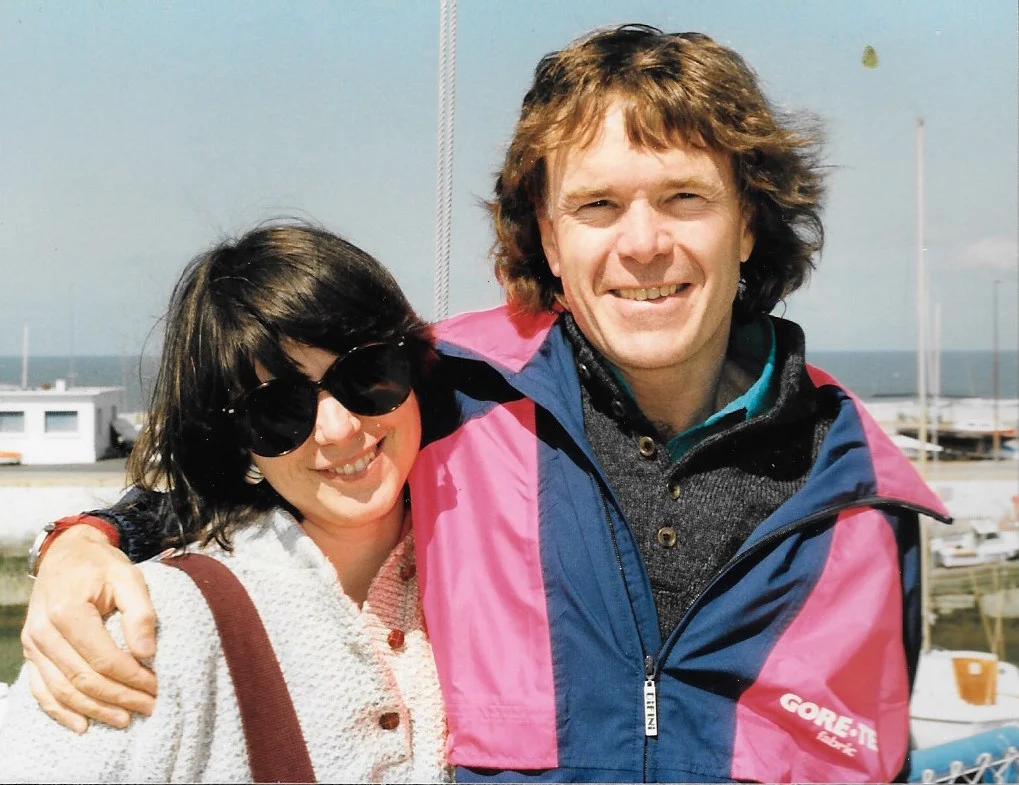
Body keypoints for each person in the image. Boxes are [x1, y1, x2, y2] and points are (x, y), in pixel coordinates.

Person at [17, 25, 950, 783]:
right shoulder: (454, 390)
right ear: (545, 235)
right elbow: (288, 462)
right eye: (595, 207)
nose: (643, 243)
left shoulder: (868, 503)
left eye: (683, 197)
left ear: (747, 220)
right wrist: (87, 539)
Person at [1, 225, 452, 782]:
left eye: (367, 375)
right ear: (238, 442)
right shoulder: (159, 629)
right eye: (279, 411)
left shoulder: (493, 564)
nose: (337, 429)